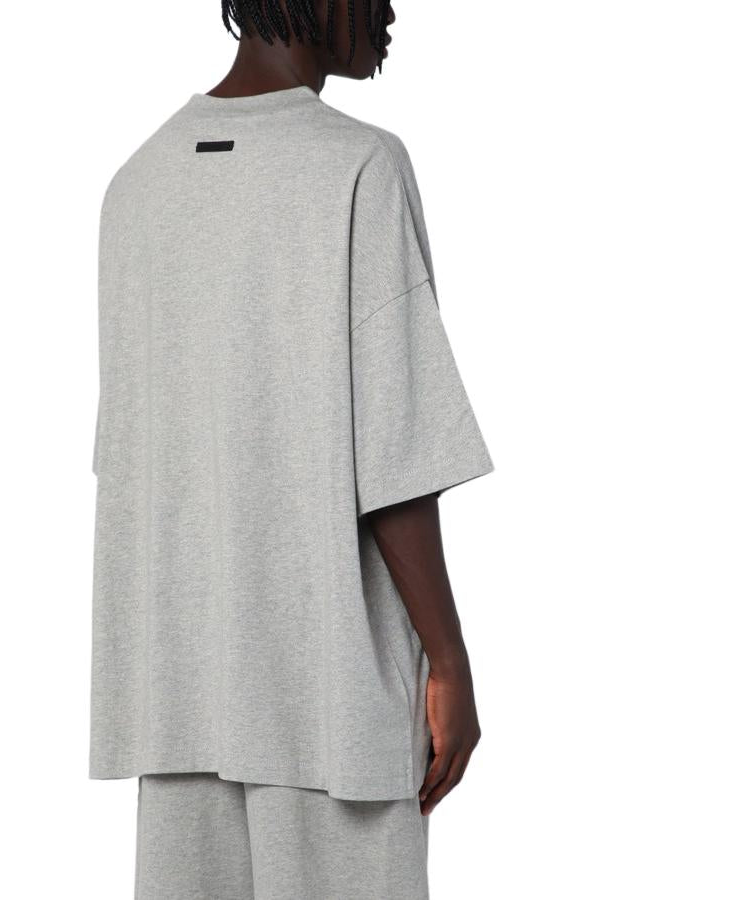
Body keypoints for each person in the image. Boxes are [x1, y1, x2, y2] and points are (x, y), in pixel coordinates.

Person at [91, 2, 494, 897]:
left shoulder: (137, 183)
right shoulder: (357, 165)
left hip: (178, 694)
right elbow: (395, 449)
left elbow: (132, 453)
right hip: (330, 697)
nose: (390, 12)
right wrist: (449, 660)